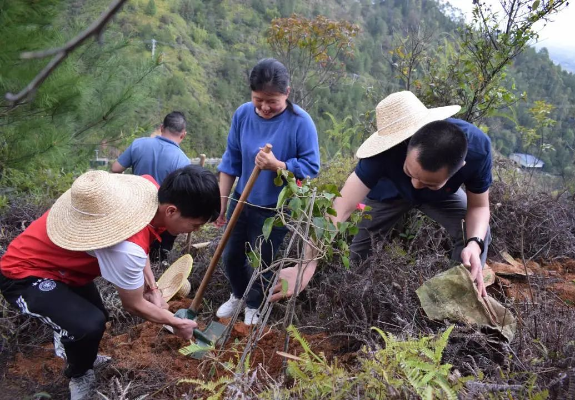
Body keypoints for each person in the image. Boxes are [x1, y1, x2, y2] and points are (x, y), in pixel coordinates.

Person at [0, 165, 220, 400]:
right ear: (172, 211)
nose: (193, 232)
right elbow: (134, 304)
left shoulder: (149, 193)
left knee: (99, 315)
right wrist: (175, 322)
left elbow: (138, 241)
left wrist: (153, 287)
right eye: (195, 225)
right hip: (24, 273)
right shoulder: (127, 250)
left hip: (65, 267)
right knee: (87, 326)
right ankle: (79, 372)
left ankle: (78, 346)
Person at [271, 91, 493, 302]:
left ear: (459, 168)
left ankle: (459, 297)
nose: (416, 185)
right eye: (410, 173)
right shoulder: (383, 152)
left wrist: (474, 243)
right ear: (408, 146)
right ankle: (350, 302)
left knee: (477, 236)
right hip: (389, 193)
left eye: (428, 182)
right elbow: (341, 206)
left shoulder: (476, 150)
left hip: (441, 199)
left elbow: (479, 208)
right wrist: (306, 264)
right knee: (359, 254)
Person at [215, 58, 320, 325]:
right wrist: (222, 203)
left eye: (272, 101)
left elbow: (311, 167)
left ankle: (254, 305)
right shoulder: (242, 114)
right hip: (242, 200)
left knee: (262, 261)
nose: (264, 107)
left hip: (276, 209)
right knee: (231, 256)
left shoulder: (301, 122)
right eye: (258, 99)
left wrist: (279, 166)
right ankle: (238, 295)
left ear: (287, 93)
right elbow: (231, 162)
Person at [111, 111, 191, 260]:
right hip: (162, 218)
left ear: (161, 127)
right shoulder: (184, 161)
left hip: (135, 211)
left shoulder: (139, 144)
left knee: (133, 253)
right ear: (183, 135)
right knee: (158, 259)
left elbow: (116, 168)